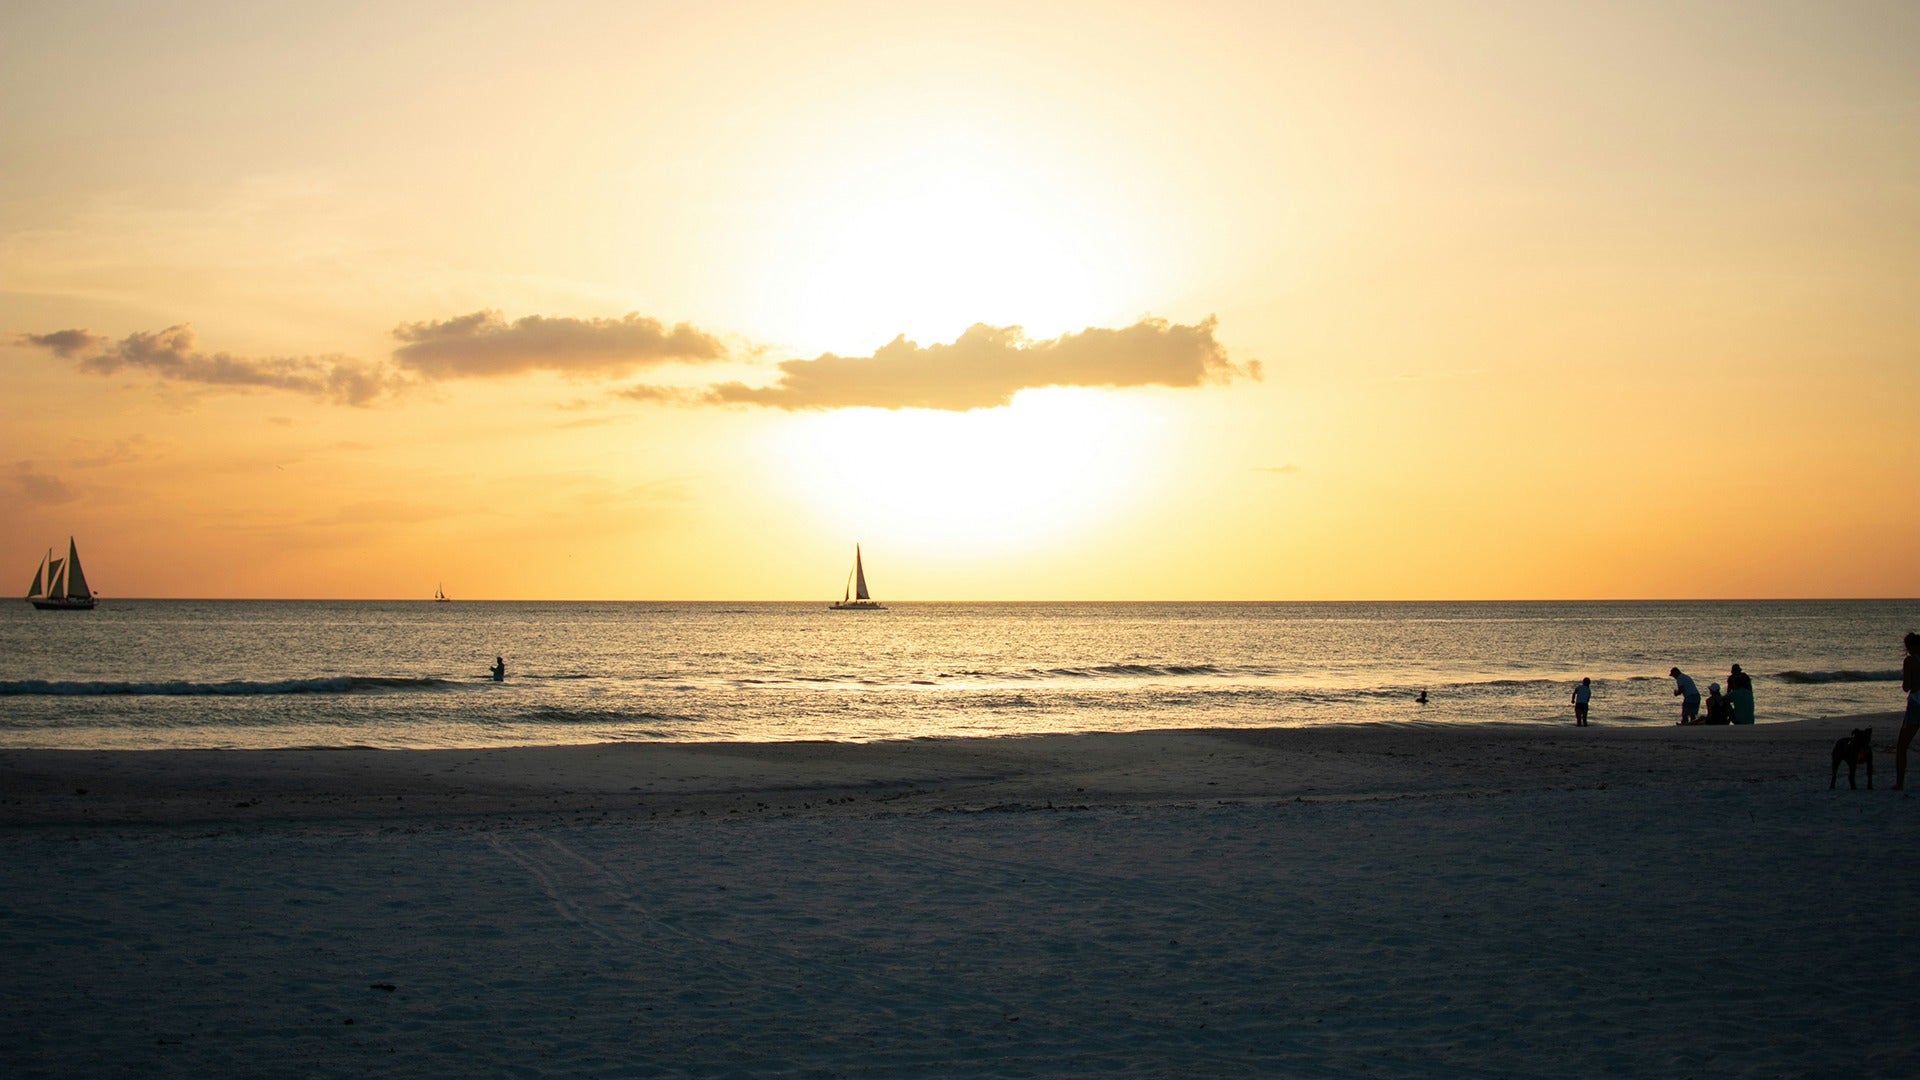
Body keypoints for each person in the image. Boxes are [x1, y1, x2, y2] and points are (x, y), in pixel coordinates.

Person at [1897, 632, 1919, 790]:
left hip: (1916, 704)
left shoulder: (1910, 661)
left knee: (1902, 746)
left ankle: (1900, 783)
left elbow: (1907, 687)